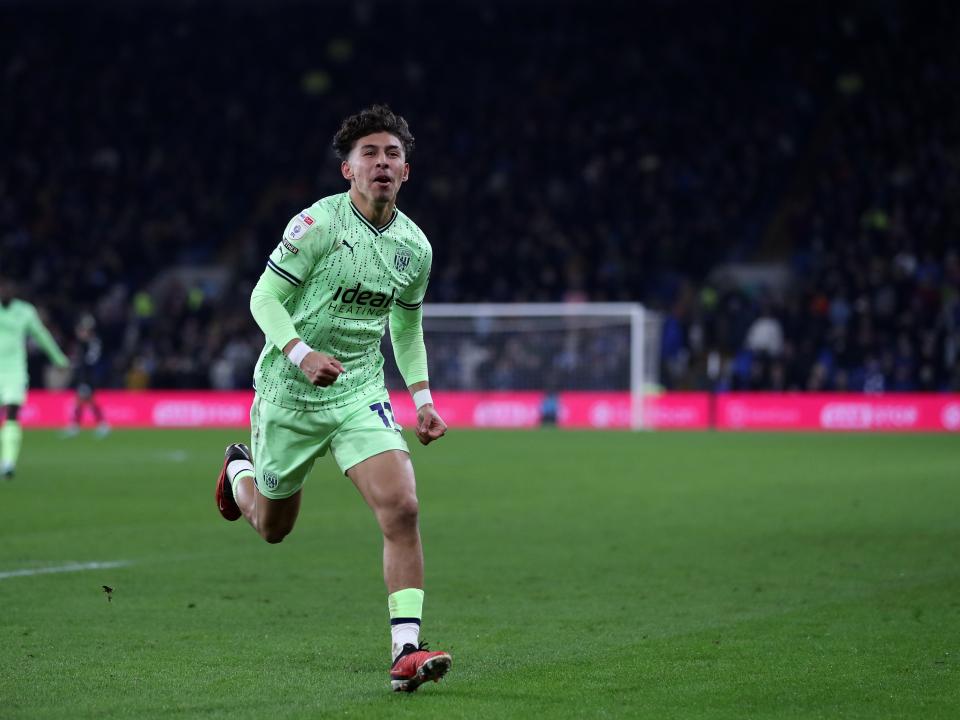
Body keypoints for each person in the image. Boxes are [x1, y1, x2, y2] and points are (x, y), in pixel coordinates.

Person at [214, 105, 451, 692]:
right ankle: (239, 471)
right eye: (369, 154)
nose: (381, 163)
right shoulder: (317, 226)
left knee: (402, 507)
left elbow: (407, 325)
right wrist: (301, 353)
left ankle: (406, 651)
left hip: (358, 391)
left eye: (392, 154)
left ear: (406, 171)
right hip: (289, 392)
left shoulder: (414, 248)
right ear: (347, 170)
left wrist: (420, 397)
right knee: (272, 528)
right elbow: (262, 298)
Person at [0, 278, 69, 478]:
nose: (5, 292)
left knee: (12, 414)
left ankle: (8, 462)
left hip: (15, 371)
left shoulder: (25, 312)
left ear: (15, 291)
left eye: (8, 288)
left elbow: (42, 336)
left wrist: (59, 359)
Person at [65, 314, 110, 437]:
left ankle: (99, 425)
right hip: (84, 374)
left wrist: (80, 363)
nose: (81, 332)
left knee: (86, 400)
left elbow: (91, 359)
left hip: (90, 375)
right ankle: (80, 425)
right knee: (83, 400)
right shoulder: (84, 343)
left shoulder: (93, 342)